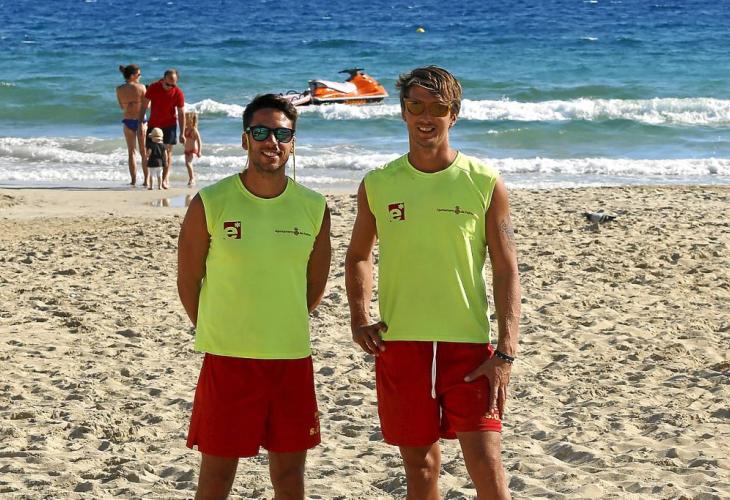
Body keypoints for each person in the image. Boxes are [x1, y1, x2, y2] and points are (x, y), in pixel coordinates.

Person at [345, 66, 521, 500]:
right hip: (401, 345)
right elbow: (359, 255)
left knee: (487, 467)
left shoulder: (484, 181)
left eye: (438, 108)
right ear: (403, 112)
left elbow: (506, 269)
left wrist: (505, 351)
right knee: (421, 470)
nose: (426, 116)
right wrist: (359, 317)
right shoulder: (378, 183)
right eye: (416, 106)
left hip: (469, 348)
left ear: (453, 115)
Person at [177, 93, 331, 499]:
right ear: (245, 139)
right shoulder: (211, 202)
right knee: (216, 477)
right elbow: (189, 280)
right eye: (260, 132)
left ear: (293, 141)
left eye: (282, 133)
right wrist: (221, 327)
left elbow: (314, 287)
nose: (271, 141)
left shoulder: (314, 206)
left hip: (290, 357)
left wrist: (276, 321)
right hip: (228, 359)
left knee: (289, 477)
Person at [139, 68, 185, 189]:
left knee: (167, 153)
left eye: (173, 85)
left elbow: (181, 113)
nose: (170, 87)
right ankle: (148, 179)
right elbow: (144, 106)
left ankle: (164, 179)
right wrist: (140, 124)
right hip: (154, 125)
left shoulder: (178, 92)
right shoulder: (153, 87)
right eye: (168, 84)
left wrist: (182, 133)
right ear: (163, 79)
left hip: (170, 125)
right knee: (149, 152)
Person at [116, 64, 147, 186]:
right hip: (140, 121)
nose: (140, 76)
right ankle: (146, 180)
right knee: (143, 152)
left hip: (128, 120)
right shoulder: (142, 87)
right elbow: (147, 105)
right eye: (139, 74)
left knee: (131, 152)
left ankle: (133, 180)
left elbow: (121, 106)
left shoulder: (119, 89)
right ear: (133, 75)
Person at [183, 111, 202, 186]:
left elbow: (199, 141)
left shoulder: (194, 130)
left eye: (186, 119)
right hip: (186, 150)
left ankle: (192, 178)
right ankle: (192, 177)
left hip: (192, 150)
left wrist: (199, 151)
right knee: (187, 164)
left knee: (188, 164)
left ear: (191, 120)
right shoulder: (185, 129)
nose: (184, 120)